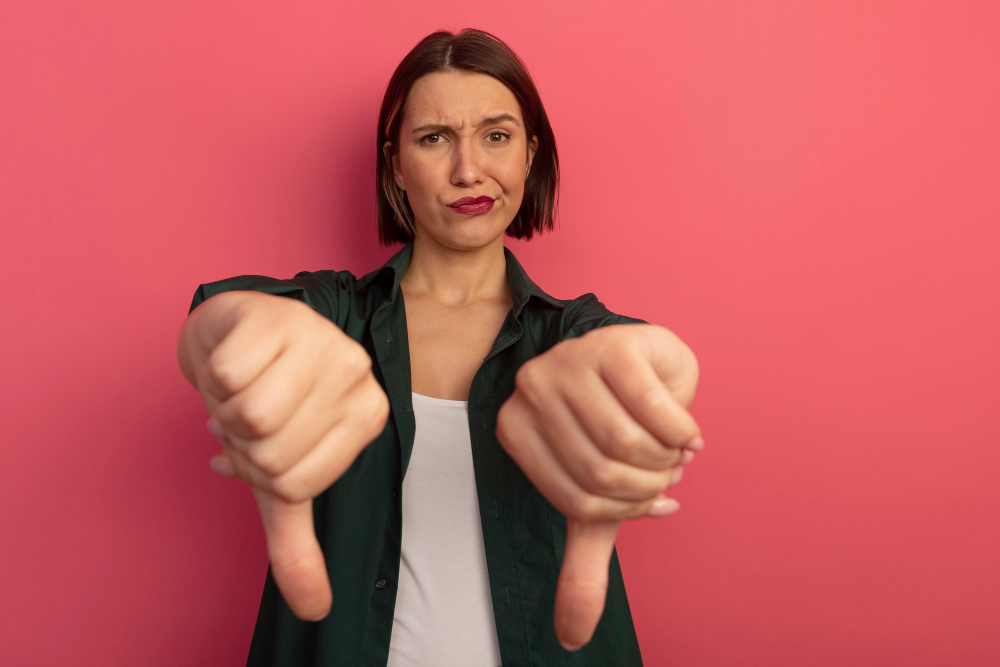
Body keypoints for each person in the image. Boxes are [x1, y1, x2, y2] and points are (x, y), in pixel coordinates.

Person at [177, 28, 702, 666]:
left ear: (530, 156)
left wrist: (651, 369)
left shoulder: (571, 335)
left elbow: (635, 357)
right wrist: (224, 335)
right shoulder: (336, 316)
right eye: (434, 139)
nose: (467, 170)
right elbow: (223, 322)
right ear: (396, 163)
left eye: (497, 136)